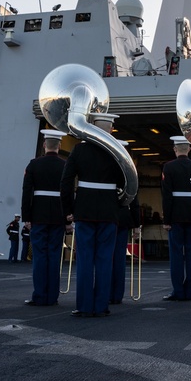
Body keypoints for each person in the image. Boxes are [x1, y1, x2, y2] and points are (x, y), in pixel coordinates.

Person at [61, 113, 125, 318]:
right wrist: (118, 204)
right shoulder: (118, 152)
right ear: (110, 129)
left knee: (85, 259)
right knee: (105, 260)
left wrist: (69, 210)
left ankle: (85, 306)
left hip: (85, 211)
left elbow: (66, 181)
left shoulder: (79, 150)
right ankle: (101, 306)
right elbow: (128, 183)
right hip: (109, 211)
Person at [22, 129, 68, 306]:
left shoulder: (34, 165)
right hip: (58, 215)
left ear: (44, 145)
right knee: (55, 256)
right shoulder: (65, 165)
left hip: (38, 214)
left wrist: (27, 216)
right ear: (59, 145)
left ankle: (40, 295)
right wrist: (68, 218)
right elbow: (68, 193)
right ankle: (52, 296)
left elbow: (27, 192)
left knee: (40, 256)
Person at [161, 135, 191, 302]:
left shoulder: (168, 167)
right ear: (189, 148)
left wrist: (166, 220)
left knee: (176, 254)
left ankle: (178, 291)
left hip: (175, 215)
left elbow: (166, 196)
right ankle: (190, 291)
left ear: (175, 149)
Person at [111, 191, 141, 305]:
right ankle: (117, 295)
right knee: (119, 258)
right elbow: (133, 199)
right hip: (122, 217)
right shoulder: (127, 173)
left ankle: (105, 292)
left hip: (105, 215)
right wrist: (136, 224)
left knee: (104, 257)